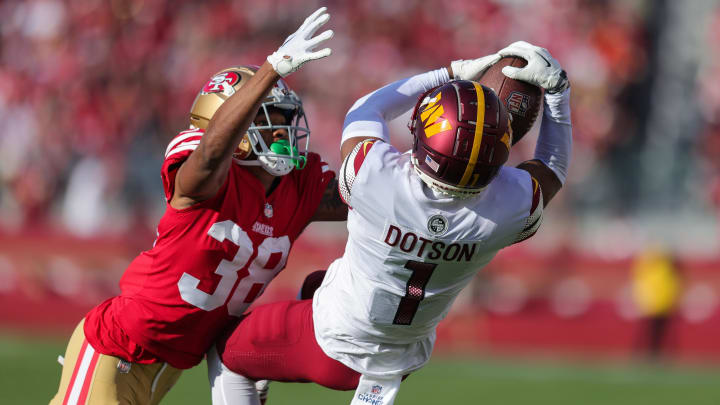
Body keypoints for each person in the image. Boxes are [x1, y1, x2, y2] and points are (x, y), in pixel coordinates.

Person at [208, 41, 571, 405]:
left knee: (225, 350)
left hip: (333, 344)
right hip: (405, 355)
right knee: (317, 283)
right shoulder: (511, 205)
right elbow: (552, 168)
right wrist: (558, 93)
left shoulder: (374, 176)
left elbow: (368, 108)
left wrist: (451, 73)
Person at [49, 7, 342, 405]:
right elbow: (207, 159)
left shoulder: (297, 186)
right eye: (266, 119)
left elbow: (368, 195)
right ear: (227, 121)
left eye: (285, 122)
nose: (281, 133)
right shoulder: (201, 169)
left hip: (169, 369)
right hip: (117, 349)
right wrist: (268, 72)